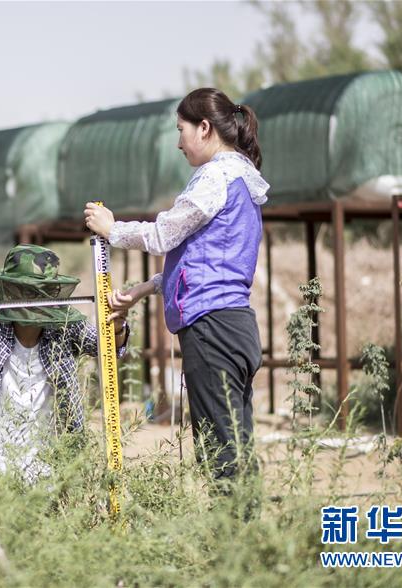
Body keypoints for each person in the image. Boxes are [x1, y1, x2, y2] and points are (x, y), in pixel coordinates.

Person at [84, 87, 269, 484]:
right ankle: (246, 522)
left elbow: (163, 235)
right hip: (235, 326)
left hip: (211, 330)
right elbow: (203, 260)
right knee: (236, 443)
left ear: (204, 128)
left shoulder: (215, 176)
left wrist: (112, 229)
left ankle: (233, 523)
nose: (178, 143)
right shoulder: (243, 179)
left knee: (221, 453)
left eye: (181, 130)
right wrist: (145, 289)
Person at [0, 244, 129, 485]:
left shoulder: (65, 326)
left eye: (41, 292)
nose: (34, 299)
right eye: (26, 291)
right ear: (10, 290)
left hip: (42, 460)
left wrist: (116, 326)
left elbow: (108, 347)